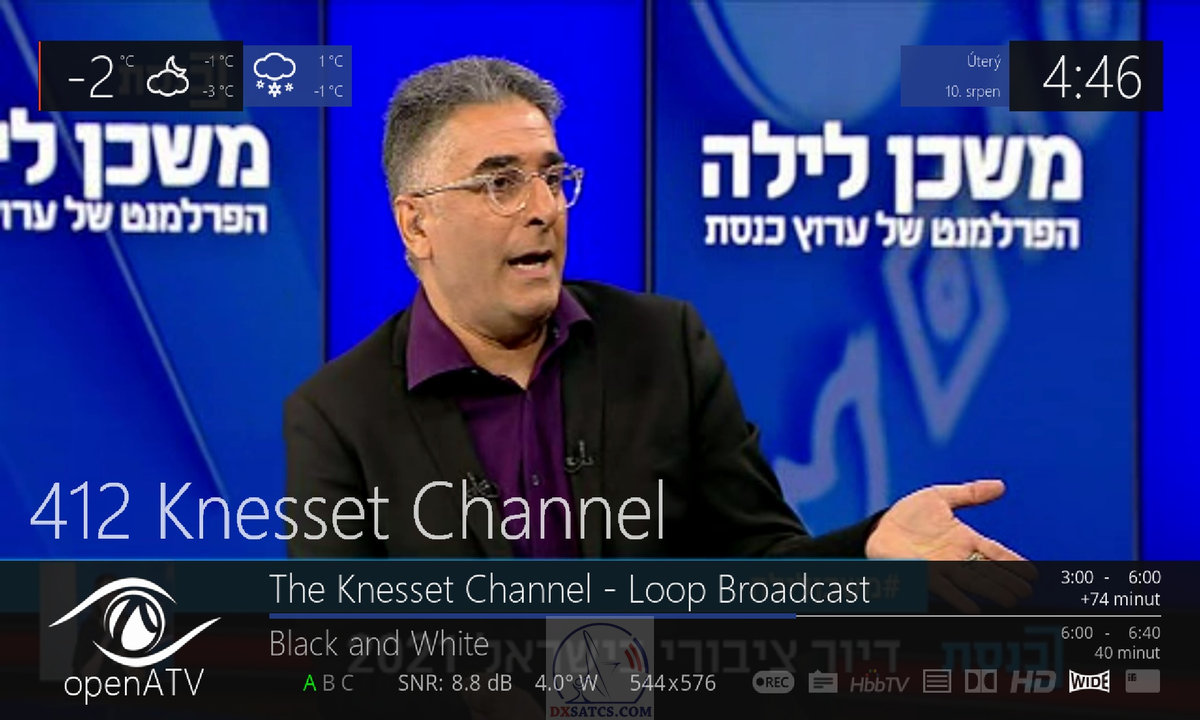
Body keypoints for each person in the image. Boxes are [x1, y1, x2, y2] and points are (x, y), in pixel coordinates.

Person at [284, 57, 1032, 611]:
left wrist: (867, 551)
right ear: (416, 224)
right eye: (500, 183)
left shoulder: (663, 344)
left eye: (552, 177)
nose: (543, 208)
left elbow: (757, 562)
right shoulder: (338, 416)